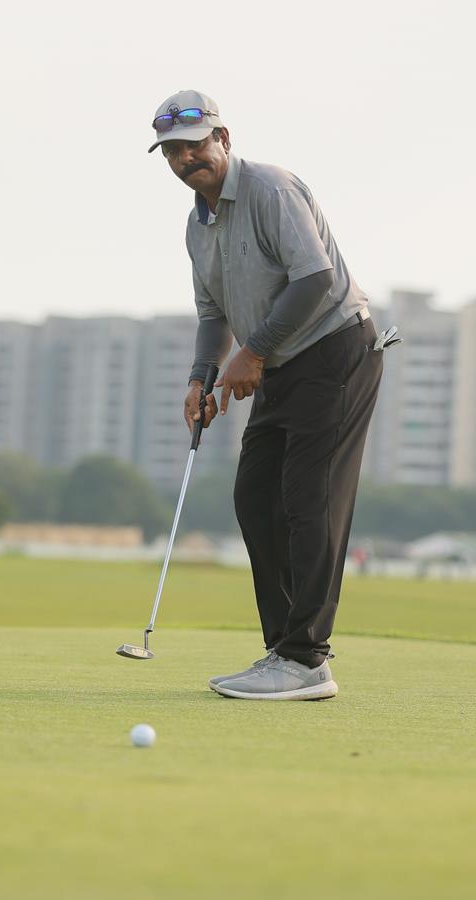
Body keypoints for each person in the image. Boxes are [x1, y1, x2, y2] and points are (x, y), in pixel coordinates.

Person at [149, 90, 383, 700]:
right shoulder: (198, 226)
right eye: (173, 150)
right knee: (256, 497)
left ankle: (307, 658)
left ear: (224, 139)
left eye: (196, 144)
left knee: (310, 500)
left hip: (335, 349)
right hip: (281, 363)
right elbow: (211, 311)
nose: (186, 158)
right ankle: (283, 650)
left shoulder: (270, 188)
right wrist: (203, 374)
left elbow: (315, 277)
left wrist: (250, 353)